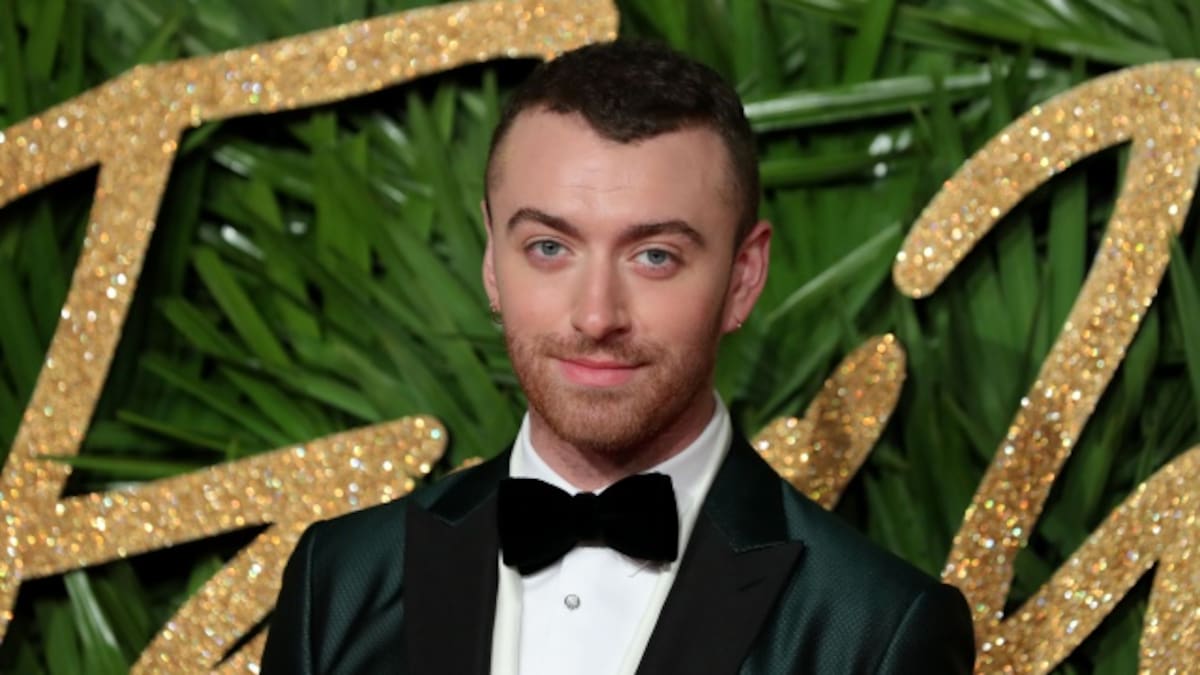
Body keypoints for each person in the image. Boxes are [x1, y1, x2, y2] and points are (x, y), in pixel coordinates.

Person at [261, 40, 975, 674]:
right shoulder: (339, 580)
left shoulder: (877, 630)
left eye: (655, 255)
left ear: (743, 277)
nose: (597, 316)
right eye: (549, 247)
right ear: (491, 260)